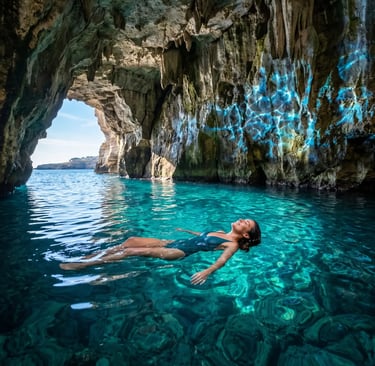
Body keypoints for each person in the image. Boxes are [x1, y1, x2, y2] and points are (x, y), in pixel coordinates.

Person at [60, 218, 261, 285]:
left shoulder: (232, 245)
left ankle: (85, 264)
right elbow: (201, 235)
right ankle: (95, 255)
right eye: (244, 219)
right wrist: (186, 231)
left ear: (245, 235)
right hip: (175, 241)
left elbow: (222, 261)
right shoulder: (219, 232)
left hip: (179, 251)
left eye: (246, 223)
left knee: (132, 251)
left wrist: (206, 272)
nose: (242, 220)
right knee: (130, 241)